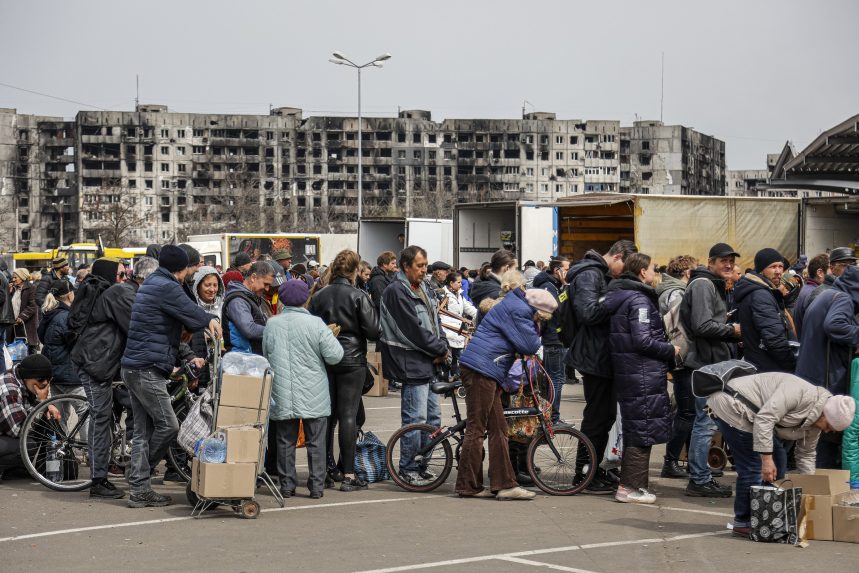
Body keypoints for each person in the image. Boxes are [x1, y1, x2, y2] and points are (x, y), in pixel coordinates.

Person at [121, 245, 222, 508]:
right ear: (181, 269)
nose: (194, 272)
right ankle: (139, 478)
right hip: (146, 368)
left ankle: (139, 490)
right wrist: (210, 320)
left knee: (144, 431)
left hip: (135, 366)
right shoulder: (167, 286)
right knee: (169, 426)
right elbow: (191, 312)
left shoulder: (154, 282)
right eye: (192, 267)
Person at [706, 373, 855, 538]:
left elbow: (806, 454)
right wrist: (766, 460)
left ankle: (767, 514)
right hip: (733, 405)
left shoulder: (815, 424)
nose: (828, 431)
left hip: (756, 417)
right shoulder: (799, 393)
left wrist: (811, 488)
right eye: (829, 426)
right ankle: (744, 521)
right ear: (825, 414)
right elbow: (765, 419)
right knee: (753, 466)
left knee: (779, 458)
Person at [454, 287, 554, 501]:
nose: (540, 320)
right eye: (541, 317)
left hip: (486, 369)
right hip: (482, 369)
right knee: (476, 429)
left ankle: (504, 484)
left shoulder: (516, 305)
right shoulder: (519, 310)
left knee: (499, 429)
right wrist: (537, 327)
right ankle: (467, 485)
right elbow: (530, 345)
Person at [72, 257, 158, 499]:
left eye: (126, 274)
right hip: (95, 364)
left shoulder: (117, 292)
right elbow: (137, 327)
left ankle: (105, 468)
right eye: (121, 275)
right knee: (101, 419)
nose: (124, 279)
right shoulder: (120, 294)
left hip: (101, 363)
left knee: (107, 419)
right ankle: (98, 481)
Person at [604, 253, 679, 504]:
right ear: (642, 272)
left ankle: (634, 486)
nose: (655, 273)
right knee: (642, 429)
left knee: (639, 427)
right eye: (653, 269)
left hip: (635, 371)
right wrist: (670, 350)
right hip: (642, 373)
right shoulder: (639, 301)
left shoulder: (625, 296)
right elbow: (643, 340)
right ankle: (630, 487)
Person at [567, 239, 638, 494]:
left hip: (602, 356)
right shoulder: (590, 274)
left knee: (605, 416)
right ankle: (584, 473)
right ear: (617, 256)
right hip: (593, 356)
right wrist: (616, 298)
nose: (625, 272)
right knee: (597, 418)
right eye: (625, 265)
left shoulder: (598, 274)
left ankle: (594, 469)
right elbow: (586, 312)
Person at [263, 279, 344, 499]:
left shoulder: (272, 324)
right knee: (316, 441)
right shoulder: (316, 324)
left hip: (283, 389)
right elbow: (335, 356)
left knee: (284, 440)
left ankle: (287, 485)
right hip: (314, 390)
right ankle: (316, 486)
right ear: (306, 298)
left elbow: (266, 354)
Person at [308, 249, 380, 492]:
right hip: (352, 359)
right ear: (355, 271)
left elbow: (311, 325)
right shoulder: (358, 296)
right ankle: (348, 474)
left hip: (326, 358)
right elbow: (373, 330)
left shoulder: (319, 295)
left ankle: (327, 470)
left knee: (328, 416)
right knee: (349, 415)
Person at [378, 245, 449, 486]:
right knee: (415, 419)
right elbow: (411, 331)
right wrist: (439, 349)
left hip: (427, 363)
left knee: (433, 419)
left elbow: (435, 320)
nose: (424, 270)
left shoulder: (424, 287)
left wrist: (443, 345)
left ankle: (421, 464)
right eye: (419, 266)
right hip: (410, 363)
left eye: (425, 265)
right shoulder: (396, 291)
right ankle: (408, 467)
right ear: (405, 266)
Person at [680, 243, 742, 498]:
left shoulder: (711, 283)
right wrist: (733, 331)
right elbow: (702, 326)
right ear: (711, 262)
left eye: (730, 261)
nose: (728, 265)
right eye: (722, 261)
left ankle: (700, 476)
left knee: (705, 422)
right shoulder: (703, 285)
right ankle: (699, 479)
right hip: (704, 365)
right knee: (704, 423)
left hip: (710, 363)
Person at [795, 265, 859, 468]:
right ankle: (825, 488)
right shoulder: (843, 298)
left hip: (812, 374)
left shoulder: (827, 294)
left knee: (816, 440)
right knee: (826, 438)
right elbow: (834, 325)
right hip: (826, 378)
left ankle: (819, 486)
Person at [655, 255, 698, 479]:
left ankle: (693, 462)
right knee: (687, 411)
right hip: (682, 358)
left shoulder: (671, 290)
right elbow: (679, 328)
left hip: (679, 357)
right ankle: (671, 461)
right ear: (687, 273)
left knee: (689, 411)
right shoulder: (677, 293)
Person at [733, 248, 797, 373]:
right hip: (768, 367)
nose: (778, 271)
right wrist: (791, 363)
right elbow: (774, 339)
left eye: (780, 266)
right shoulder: (760, 295)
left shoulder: (763, 291)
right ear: (761, 270)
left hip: (763, 364)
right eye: (773, 267)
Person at [0, 355, 56, 480]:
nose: (45, 383)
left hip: (6, 433)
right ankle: (8, 467)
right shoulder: (9, 389)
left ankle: (19, 469)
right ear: (26, 377)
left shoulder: (26, 381)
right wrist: (42, 403)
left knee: (46, 416)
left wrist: (48, 405)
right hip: (11, 432)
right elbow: (18, 431)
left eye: (48, 379)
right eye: (41, 379)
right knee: (29, 445)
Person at [532, 256, 570, 424]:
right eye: (566, 269)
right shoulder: (550, 287)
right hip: (554, 340)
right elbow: (558, 312)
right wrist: (566, 288)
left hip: (554, 339)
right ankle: (552, 419)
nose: (569, 273)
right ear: (557, 271)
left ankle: (549, 417)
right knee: (556, 379)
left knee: (553, 379)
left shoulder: (553, 286)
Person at [796, 247, 857, 331]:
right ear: (832, 268)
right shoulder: (820, 294)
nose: (852, 269)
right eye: (845, 265)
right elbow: (820, 331)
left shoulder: (842, 290)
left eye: (853, 264)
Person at [222, 261, 273, 354]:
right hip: (241, 361)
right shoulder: (238, 300)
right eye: (265, 284)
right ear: (253, 277)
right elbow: (249, 329)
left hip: (249, 359)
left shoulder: (250, 297)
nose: (267, 289)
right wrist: (275, 328)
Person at [189, 266, 225, 390]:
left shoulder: (223, 306)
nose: (212, 289)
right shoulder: (192, 308)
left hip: (221, 364)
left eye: (215, 285)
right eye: (207, 285)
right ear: (198, 285)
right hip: (201, 365)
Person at [439, 271, 477, 380]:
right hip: (448, 332)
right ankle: (446, 382)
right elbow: (440, 314)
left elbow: (468, 308)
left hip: (459, 332)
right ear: (451, 283)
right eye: (459, 282)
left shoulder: (459, 295)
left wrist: (480, 315)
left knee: (460, 358)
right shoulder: (443, 295)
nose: (461, 284)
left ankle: (456, 383)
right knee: (448, 359)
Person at [469, 249, 517, 319]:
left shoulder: (485, 285)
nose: (516, 272)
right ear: (507, 268)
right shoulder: (498, 295)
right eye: (515, 268)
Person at [793, 253, 829, 334]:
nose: (833, 273)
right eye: (831, 268)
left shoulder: (807, 288)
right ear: (820, 273)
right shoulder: (816, 294)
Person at [10, 268, 38, 354]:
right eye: (13, 277)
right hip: (14, 323)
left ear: (22, 277)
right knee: (16, 349)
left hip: (27, 323)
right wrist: (9, 292)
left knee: (29, 348)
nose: (13, 279)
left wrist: (21, 317)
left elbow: (33, 305)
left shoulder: (31, 288)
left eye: (15, 277)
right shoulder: (13, 288)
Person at [368, 251, 397, 315]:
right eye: (393, 263)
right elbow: (380, 302)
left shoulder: (385, 277)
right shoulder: (378, 281)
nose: (395, 265)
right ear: (385, 264)